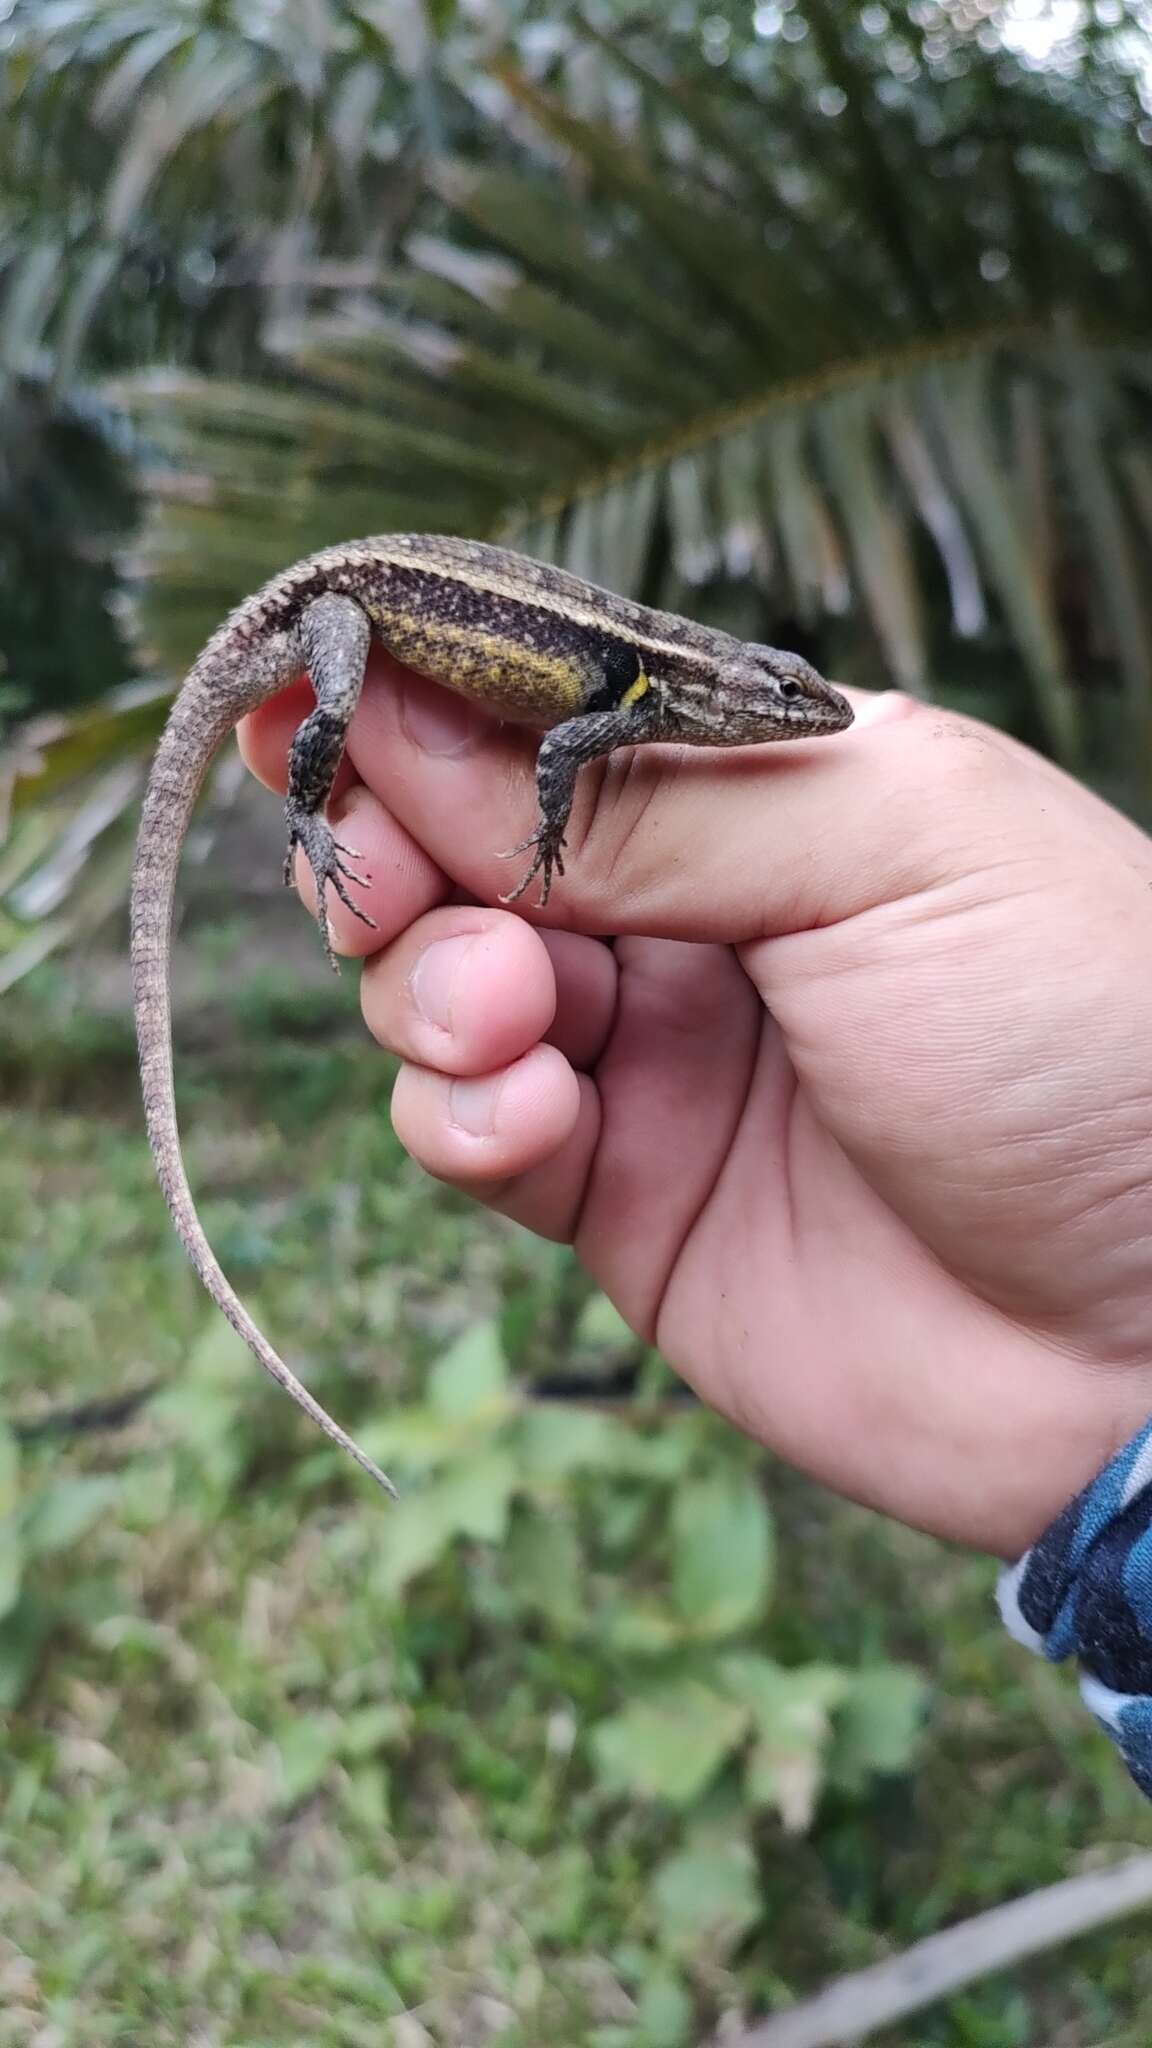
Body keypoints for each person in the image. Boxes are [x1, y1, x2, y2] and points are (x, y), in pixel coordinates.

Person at [240, 654, 1152, 1792]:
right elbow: (564, 750)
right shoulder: (639, 696)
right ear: (724, 695)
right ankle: (306, 821)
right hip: (347, 608)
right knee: (334, 720)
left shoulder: (651, 694)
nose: (800, 720)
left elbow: (589, 747)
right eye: (780, 701)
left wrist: (1118, 1379)